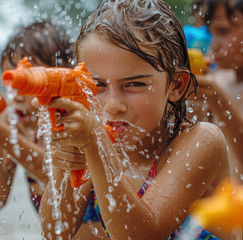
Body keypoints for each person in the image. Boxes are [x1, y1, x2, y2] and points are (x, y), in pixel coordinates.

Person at [36, 0, 239, 239]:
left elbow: (142, 234)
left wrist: (95, 145)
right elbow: (56, 232)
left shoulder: (202, 141)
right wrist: (64, 156)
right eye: (98, 84)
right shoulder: (97, 141)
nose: (113, 105)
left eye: (134, 84)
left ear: (176, 85)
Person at [0, 20, 108, 239]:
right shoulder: (14, 126)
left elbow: (55, 176)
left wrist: (2, 135)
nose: (16, 94)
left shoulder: (78, 121)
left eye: (28, 82)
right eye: (10, 81)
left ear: (60, 77)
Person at [190, 0, 243, 184]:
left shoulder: (216, 89)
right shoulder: (218, 80)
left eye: (223, 31)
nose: (214, 46)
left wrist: (218, 100)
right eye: (210, 34)